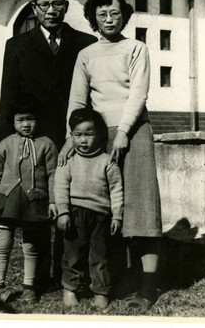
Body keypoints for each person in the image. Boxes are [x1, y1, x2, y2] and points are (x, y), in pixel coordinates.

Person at [59, 0, 162, 312]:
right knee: (103, 211)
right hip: (99, 137)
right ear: (93, 18)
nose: (108, 19)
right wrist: (68, 137)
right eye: (102, 14)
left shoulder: (136, 48)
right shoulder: (87, 55)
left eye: (114, 14)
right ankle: (112, 279)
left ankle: (147, 287)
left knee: (141, 208)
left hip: (135, 133)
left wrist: (124, 133)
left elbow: (138, 93)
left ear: (124, 16)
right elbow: (78, 101)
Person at [0, 0, 97, 286]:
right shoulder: (17, 45)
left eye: (57, 4)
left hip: (73, 138)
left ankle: (69, 273)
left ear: (65, 7)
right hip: (34, 142)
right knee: (37, 207)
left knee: (72, 207)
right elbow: (8, 97)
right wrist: (6, 145)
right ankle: (38, 277)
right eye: (45, 5)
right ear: (34, 8)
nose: (51, 11)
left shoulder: (85, 43)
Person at [0, 103, 58, 305]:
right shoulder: (6, 144)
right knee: (3, 245)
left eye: (30, 119)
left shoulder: (46, 144)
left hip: (34, 202)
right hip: (7, 200)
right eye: (20, 120)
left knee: (30, 248)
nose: (25, 124)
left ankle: (29, 287)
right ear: (13, 121)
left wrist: (54, 201)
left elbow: (53, 175)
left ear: (38, 120)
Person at [55, 108, 123, 309]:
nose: (83, 140)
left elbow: (117, 190)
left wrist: (117, 216)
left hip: (101, 216)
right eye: (78, 135)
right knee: (73, 255)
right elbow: (60, 186)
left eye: (88, 134)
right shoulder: (68, 160)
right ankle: (70, 290)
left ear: (99, 134)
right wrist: (63, 212)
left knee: (99, 256)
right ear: (72, 136)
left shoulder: (107, 161)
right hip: (74, 214)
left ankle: (100, 292)